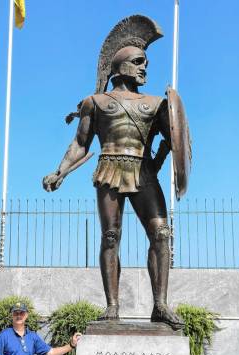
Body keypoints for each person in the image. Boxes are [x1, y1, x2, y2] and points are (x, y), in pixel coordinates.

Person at [43, 16, 191, 331]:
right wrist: (60, 172)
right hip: (109, 167)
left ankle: (160, 304)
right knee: (111, 237)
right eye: (138, 62)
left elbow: (177, 138)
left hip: (144, 171)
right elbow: (80, 143)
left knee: (161, 235)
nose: (144, 68)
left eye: (146, 63)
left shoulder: (156, 103)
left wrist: (171, 150)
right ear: (121, 66)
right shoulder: (94, 102)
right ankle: (112, 306)